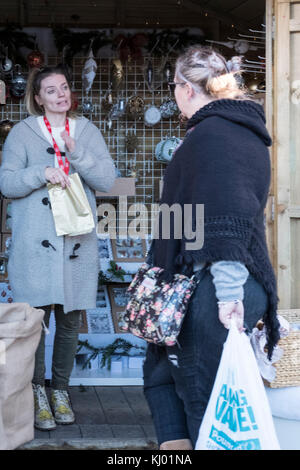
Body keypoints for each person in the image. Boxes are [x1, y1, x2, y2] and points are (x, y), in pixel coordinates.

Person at [143, 46, 280, 450]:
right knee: (159, 378)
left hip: (217, 285)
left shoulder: (217, 136)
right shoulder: (220, 131)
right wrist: (158, 272)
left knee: (201, 397)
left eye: (173, 87)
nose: (174, 94)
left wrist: (227, 296)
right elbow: (192, 214)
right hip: (188, 280)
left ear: (186, 88)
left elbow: (228, 221)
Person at [0, 66, 116, 431]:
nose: (60, 95)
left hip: (76, 241)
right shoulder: (22, 133)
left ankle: (60, 390)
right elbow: (6, 182)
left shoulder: (87, 131)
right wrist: (41, 172)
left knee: (69, 321)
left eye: (64, 87)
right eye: (51, 90)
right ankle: (35, 392)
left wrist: (77, 154)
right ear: (38, 98)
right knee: (34, 321)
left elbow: (108, 180)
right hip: (35, 242)